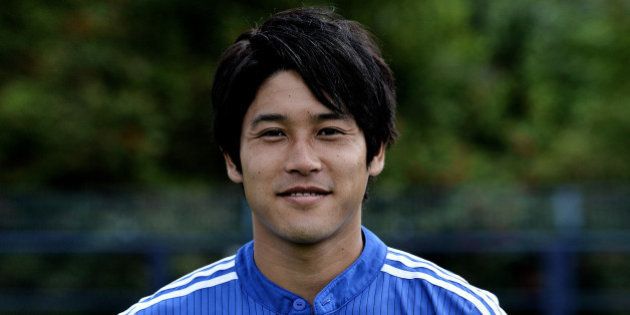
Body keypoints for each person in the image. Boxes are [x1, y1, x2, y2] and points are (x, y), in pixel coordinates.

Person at [121, 7, 505, 315]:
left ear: (377, 151)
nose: (303, 161)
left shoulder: (460, 308)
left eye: (329, 132)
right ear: (232, 159)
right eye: (273, 133)